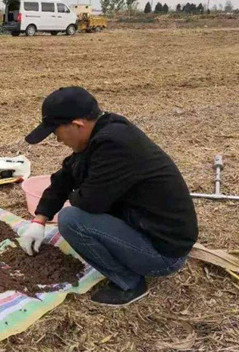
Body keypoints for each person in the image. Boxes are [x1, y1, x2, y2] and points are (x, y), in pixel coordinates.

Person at [19, 87, 198, 306]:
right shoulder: (103, 131)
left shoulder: (115, 145)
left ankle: (129, 283)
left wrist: (76, 191)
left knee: (72, 220)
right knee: (75, 209)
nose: (58, 141)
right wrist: (40, 219)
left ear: (77, 125)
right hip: (145, 227)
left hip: (164, 254)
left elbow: (89, 203)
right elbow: (66, 176)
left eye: (57, 134)